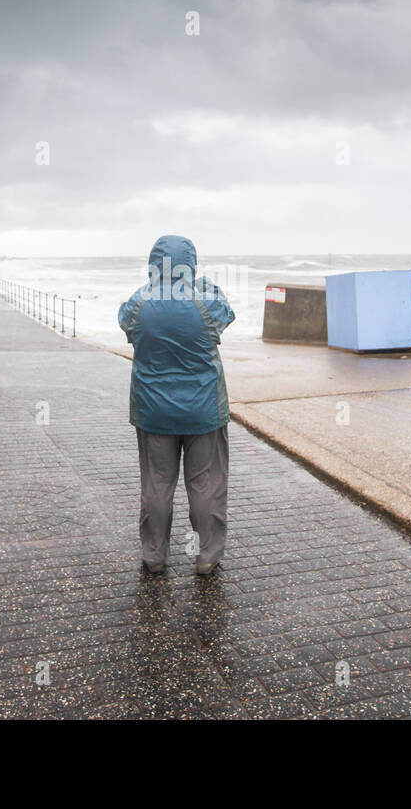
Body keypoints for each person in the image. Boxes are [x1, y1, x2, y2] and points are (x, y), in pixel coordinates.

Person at [118, 235, 235, 575]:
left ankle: (154, 556)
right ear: (191, 264)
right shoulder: (205, 302)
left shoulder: (140, 302)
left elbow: (126, 322)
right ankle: (207, 557)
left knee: (156, 485)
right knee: (206, 486)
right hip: (203, 411)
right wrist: (207, 286)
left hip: (154, 411)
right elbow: (226, 314)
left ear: (154, 263)